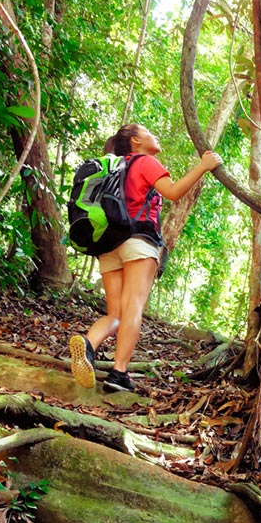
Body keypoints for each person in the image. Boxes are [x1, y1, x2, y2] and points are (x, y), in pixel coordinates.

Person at [70, 124, 221, 392]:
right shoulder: (145, 162)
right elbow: (173, 192)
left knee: (115, 313)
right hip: (139, 242)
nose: (156, 134)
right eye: (149, 131)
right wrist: (203, 166)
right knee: (133, 307)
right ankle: (118, 374)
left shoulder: (113, 166)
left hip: (108, 245)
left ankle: (89, 344)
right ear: (136, 140)